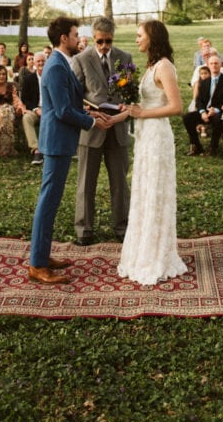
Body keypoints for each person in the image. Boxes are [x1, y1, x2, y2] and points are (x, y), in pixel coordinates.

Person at [28, 17, 112, 285]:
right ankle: (38, 265)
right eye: (76, 34)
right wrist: (91, 121)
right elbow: (62, 110)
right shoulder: (55, 66)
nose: (79, 39)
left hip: (61, 140)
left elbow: (67, 103)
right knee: (48, 201)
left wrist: (89, 110)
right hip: (55, 142)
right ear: (64, 38)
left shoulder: (62, 62)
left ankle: (42, 255)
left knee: (50, 201)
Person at [117, 20, 187, 286]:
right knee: (145, 190)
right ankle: (142, 249)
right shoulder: (150, 66)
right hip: (146, 135)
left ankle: (157, 254)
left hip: (158, 135)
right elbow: (149, 100)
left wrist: (143, 113)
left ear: (152, 37)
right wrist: (132, 107)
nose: (136, 40)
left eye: (139, 35)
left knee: (156, 191)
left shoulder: (165, 66)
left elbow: (176, 106)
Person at [72, 16, 133, 245]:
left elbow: (130, 93)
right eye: (99, 42)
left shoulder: (125, 58)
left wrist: (122, 108)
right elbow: (74, 97)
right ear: (93, 38)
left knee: (120, 183)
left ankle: (122, 228)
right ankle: (84, 231)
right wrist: (91, 114)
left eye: (108, 41)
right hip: (91, 129)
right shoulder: (80, 60)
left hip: (117, 128)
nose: (104, 46)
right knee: (86, 183)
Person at [182, 53, 223, 156]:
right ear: (208, 66)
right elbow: (199, 100)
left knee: (218, 119)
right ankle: (196, 146)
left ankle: (213, 147)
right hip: (205, 111)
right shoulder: (205, 82)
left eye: (216, 63)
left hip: (219, 111)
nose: (214, 65)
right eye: (211, 63)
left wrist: (217, 109)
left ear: (221, 65)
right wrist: (202, 112)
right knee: (187, 117)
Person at [19, 53, 45, 164]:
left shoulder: (52, 77)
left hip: (50, 110)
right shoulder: (29, 79)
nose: (41, 63)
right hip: (35, 109)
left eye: (43, 61)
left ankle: (52, 148)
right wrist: (35, 109)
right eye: (38, 61)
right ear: (34, 63)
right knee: (26, 118)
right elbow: (25, 98)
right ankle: (36, 150)